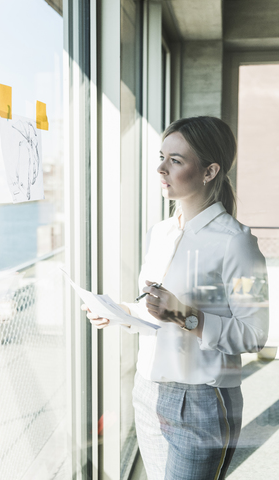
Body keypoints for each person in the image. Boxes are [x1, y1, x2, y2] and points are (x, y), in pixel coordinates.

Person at [82, 116, 269, 479]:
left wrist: (185, 315)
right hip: (148, 389)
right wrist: (120, 310)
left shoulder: (237, 243)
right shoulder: (161, 233)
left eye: (176, 160)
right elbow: (158, 310)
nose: (160, 168)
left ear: (209, 171)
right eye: (161, 156)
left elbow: (254, 334)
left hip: (202, 400)